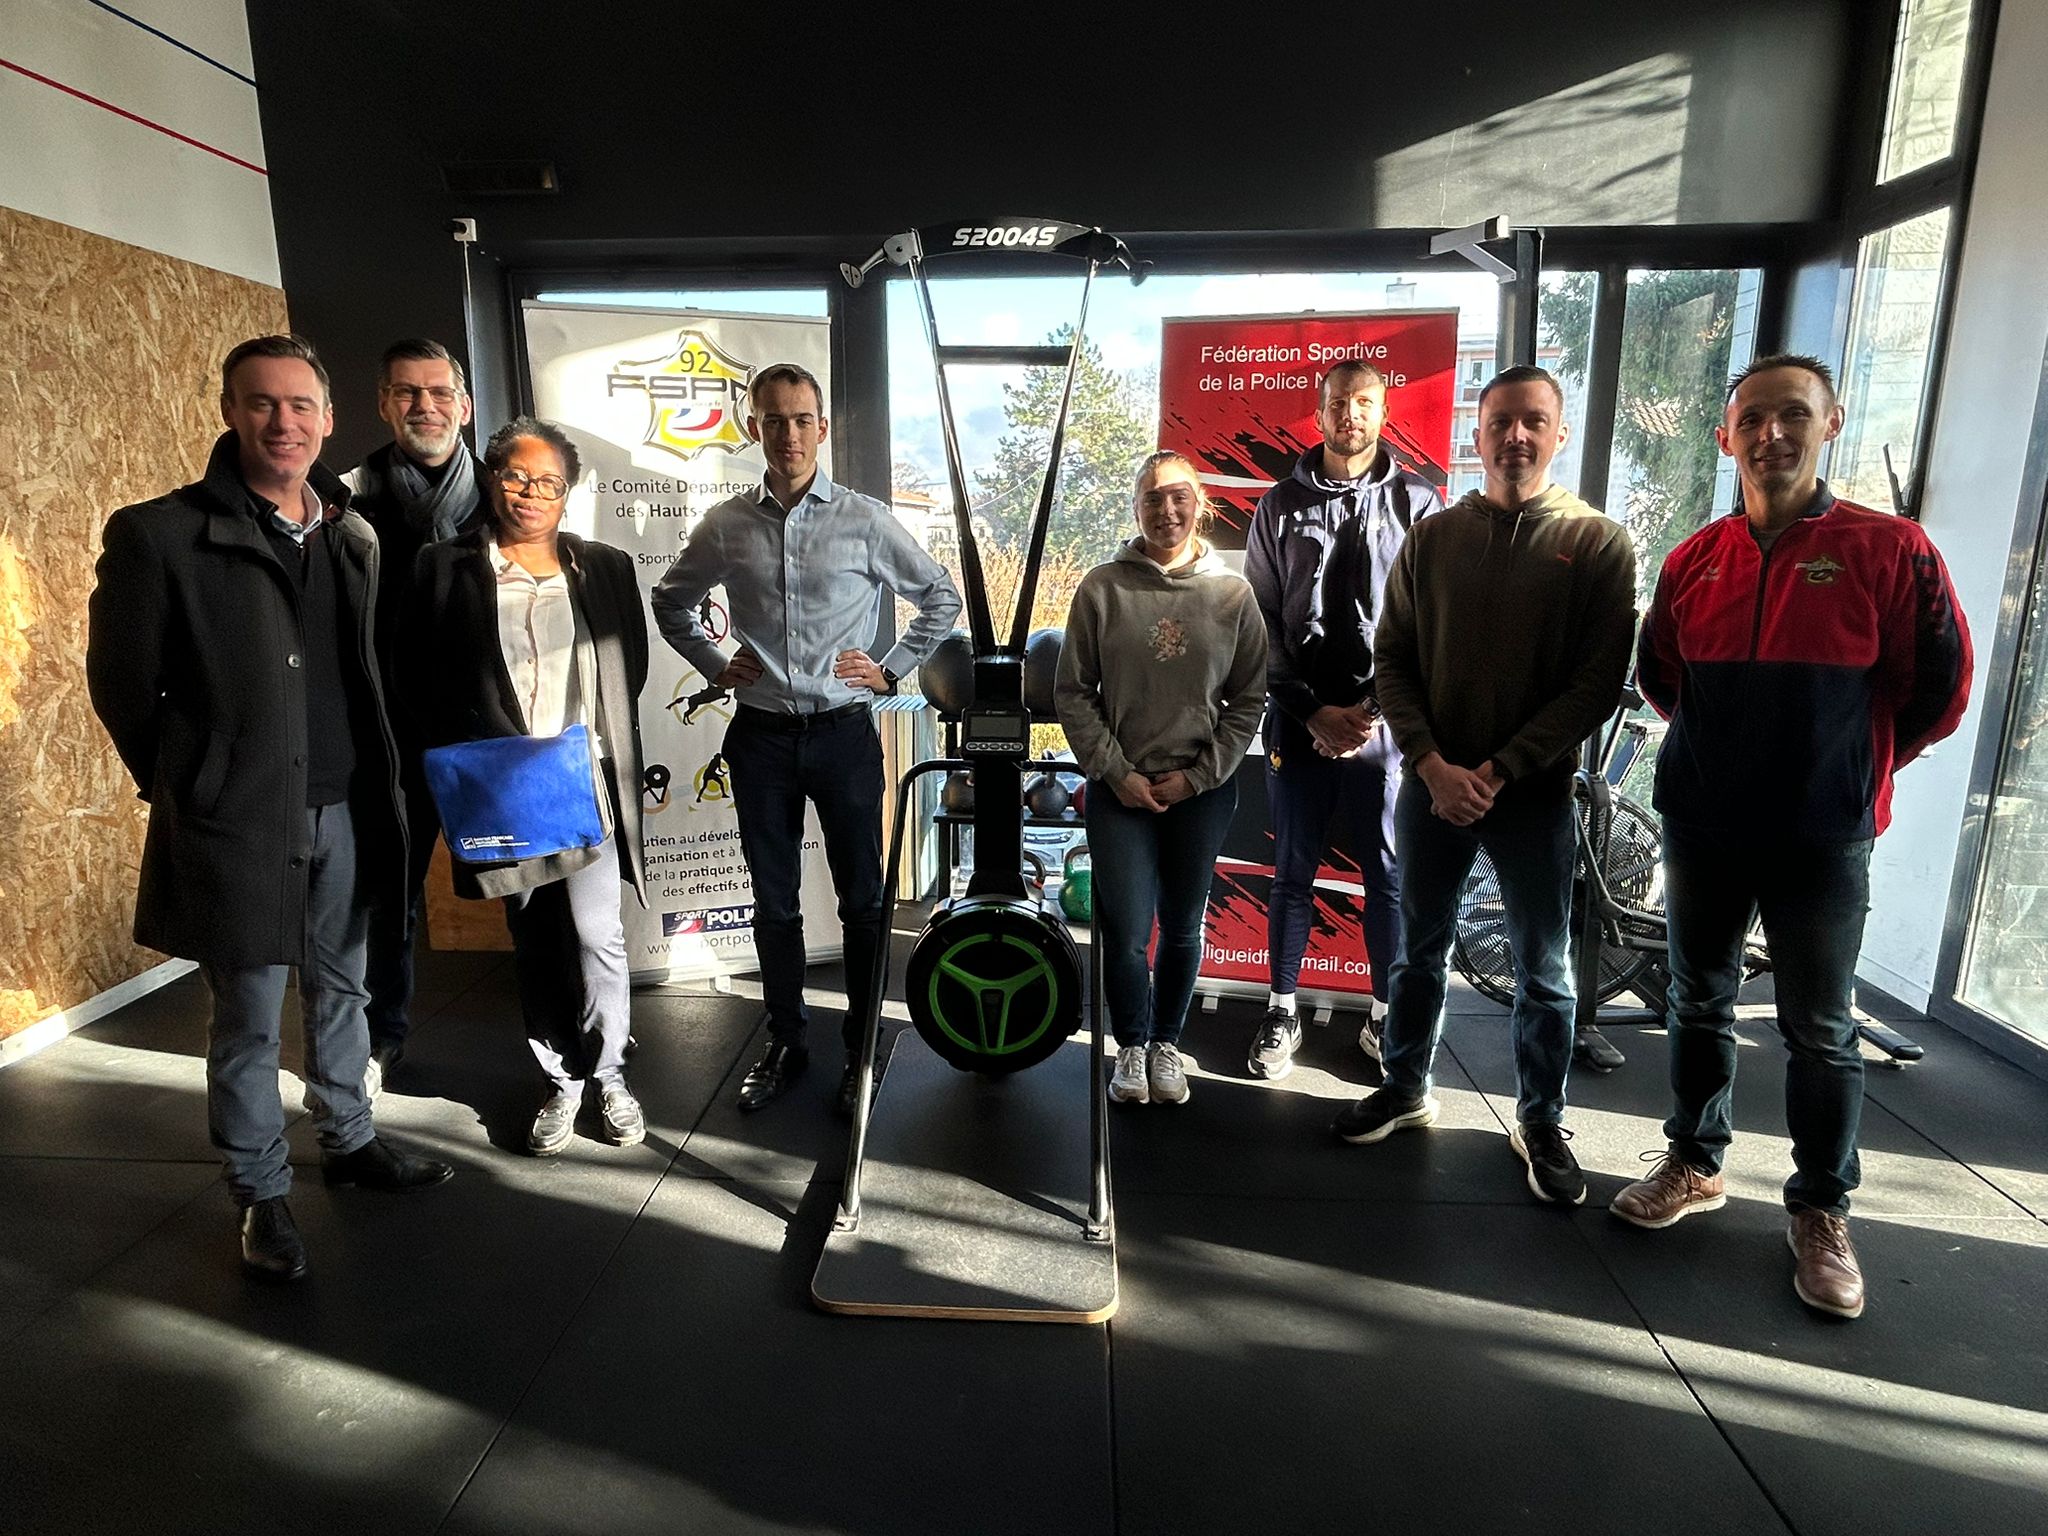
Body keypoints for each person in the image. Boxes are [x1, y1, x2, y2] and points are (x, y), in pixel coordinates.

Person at [86, 334, 454, 1283]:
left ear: (328, 419)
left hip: (350, 807)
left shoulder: (353, 533)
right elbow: (122, 687)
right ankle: (259, 1192)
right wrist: (192, 781)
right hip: (240, 819)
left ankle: (351, 1138)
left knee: (345, 990)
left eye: (300, 406)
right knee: (248, 1017)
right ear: (230, 412)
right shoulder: (160, 534)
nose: (282, 422)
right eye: (261, 403)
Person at [1614, 354, 1973, 1318]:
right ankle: (1695, 1161)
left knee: (1819, 1025)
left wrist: (1855, 766)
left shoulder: (1889, 549)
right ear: (1726, 436)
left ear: (1831, 423)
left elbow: (1938, 687)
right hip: (1704, 824)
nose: (1772, 434)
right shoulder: (1694, 559)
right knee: (1697, 999)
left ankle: (1820, 1209)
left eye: (1794, 416)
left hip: (1823, 833)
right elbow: (1664, 679)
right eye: (1753, 419)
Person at [1332, 365, 1637, 1206]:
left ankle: (1541, 1121)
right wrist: (1432, 764)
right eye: (1501, 421)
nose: (1516, 436)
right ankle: (1405, 1088)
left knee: (1545, 970)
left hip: (1532, 798)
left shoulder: (1599, 544)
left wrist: (1499, 770)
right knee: (1416, 953)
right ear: (1478, 433)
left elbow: (1595, 685)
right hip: (1431, 788)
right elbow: (1392, 660)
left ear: (1558, 433)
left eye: (1533, 421)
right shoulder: (1434, 538)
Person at [652, 364, 962, 1115]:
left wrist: (891, 669)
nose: (788, 433)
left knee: (864, 903)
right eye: (773, 419)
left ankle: (862, 1049)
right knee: (774, 904)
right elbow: (671, 599)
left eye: (801, 420)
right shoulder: (727, 524)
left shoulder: (865, 520)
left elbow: (939, 595)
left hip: (844, 736)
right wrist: (717, 666)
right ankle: (787, 1040)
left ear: (821, 429)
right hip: (760, 739)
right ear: (753, 427)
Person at [405, 416, 652, 1156]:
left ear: (567, 492)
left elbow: (628, 668)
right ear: (493, 478)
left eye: (549, 482)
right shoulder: (442, 567)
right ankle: (562, 1081)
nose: (531, 493)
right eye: (517, 476)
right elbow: (419, 675)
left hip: (584, 779)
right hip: (503, 788)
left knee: (597, 933)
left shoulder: (604, 568)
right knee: (536, 938)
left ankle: (610, 1075)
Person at [1242, 359, 1442, 1081]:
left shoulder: (1420, 502)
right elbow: (1259, 619)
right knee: (1290, 873)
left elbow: (1428, 622)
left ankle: (1384, 1018)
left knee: (1387, 876)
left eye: (1362, 402)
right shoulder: (1278, 505)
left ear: (1383, 413)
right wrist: (1310, 710)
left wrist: (1369, 712)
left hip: (1384, 728)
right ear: (1319, 412)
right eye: (1336, 403)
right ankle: (1281, 1011)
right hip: (1298, 720)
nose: (1348, 414)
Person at [1056, 452, 1268, 1105]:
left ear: (1199, 504)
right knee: (1125, 932)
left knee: (1182, 927)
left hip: (1200, 794)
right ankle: (1131, 1045)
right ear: (1135, 509)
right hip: (1121, 792)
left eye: (1179, 497)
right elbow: (1073, 693)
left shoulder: (1233, 595)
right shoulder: (1101, 588)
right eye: (1152, 499)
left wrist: (1199, 778)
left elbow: (1249, 700)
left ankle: (1166, 1044)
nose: (1166, 510)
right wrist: (1117, 774)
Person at [346, 338, 488, 1094]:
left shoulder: (506, 494)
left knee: (528, 898)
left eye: (438, 393)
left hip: (492, 735)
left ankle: (562, 1059)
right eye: (407, 392)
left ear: (464, 406)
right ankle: (379, 1039)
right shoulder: (344, 501)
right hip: (390, 739)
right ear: (383, 404)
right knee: (388, 899)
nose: (423, 407)